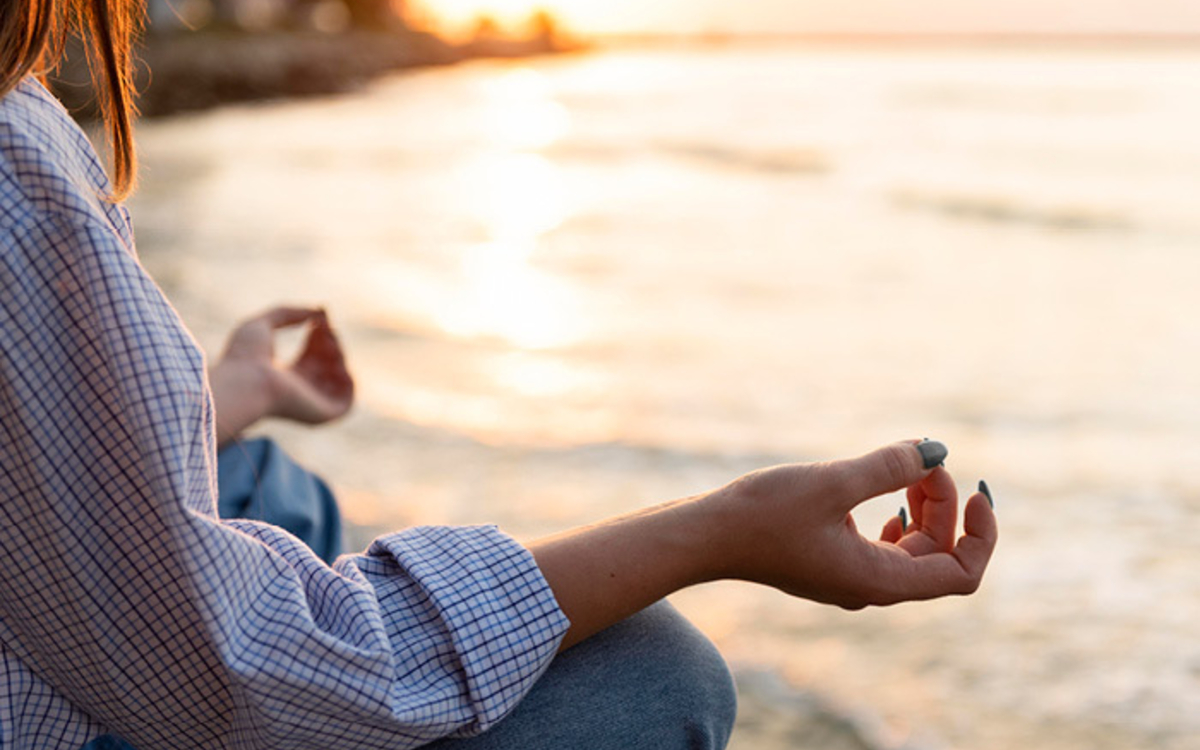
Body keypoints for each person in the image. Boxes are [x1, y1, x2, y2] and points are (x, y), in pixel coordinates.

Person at [0, 2, 999, 749]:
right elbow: (233, 667)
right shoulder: (17, 169)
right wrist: (720, 528)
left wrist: (238, 389)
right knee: (654, 675)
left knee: (265, 484)